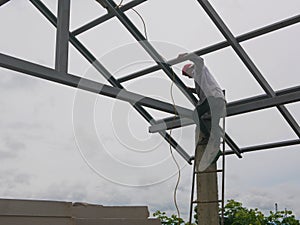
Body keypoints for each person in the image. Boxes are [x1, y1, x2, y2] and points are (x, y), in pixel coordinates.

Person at [179, 53, 226, 170]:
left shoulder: (198, 70)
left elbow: (199, 60)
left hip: (212, 99)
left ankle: (209, 137)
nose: (189, 77)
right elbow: (202, 88)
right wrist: (191, 90)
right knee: (214, 126)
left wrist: (186, 56)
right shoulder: (199, 76)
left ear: (190, 69)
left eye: (187, 74)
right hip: (218, 100)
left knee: (195, 116)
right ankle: (216, 150)